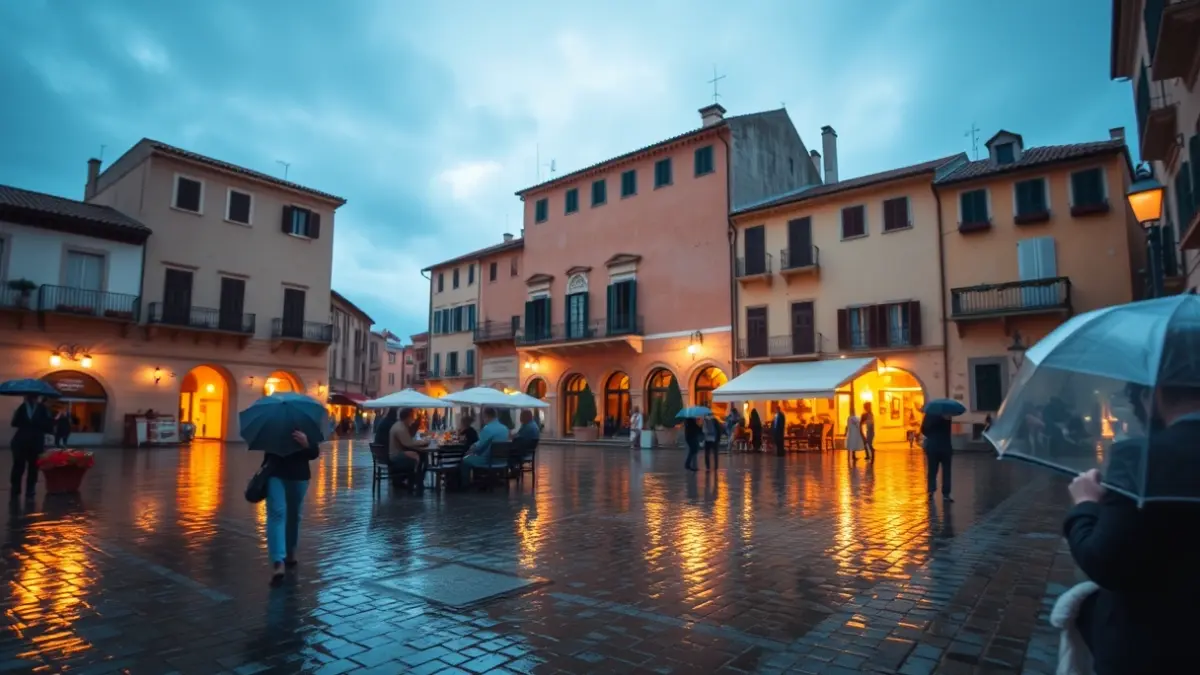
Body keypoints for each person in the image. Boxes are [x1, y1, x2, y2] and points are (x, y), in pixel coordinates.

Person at [1062, 377, 1200, 674]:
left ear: (1155, 393)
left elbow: (1104, 561)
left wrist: (1085, 504)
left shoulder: (1141, 457)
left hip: (1151, 650)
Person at [265, 429, 320, 586]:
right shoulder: (272, 423)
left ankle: (290, 552)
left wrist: (306, 443)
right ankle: (278, 561)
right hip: (275, 472)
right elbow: (265, 448)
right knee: (276, 514)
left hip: (299, 475)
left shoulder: (306, 424)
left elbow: (314, 452)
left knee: (293, 515)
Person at [10, 394, 52, 502]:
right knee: (18, 467)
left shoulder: (42, 409)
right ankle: (16, 489)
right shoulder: (22, 407)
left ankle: (30, 490)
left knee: (33, 468)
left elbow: (48, 426)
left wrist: (43, 422)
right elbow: (14, 423)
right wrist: (16, 416)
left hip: (35, 443)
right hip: (21, 442)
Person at [460, 407, 506, 486]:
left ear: (487, 416)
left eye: (483, 417)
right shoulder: (504, 429)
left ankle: (465, 485)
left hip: (488, 460)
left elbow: (480, 447)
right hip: (502, 460)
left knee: (465, 460)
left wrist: (471, 450)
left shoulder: (487, 429)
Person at [388, 408, 428, 486]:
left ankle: (418, 479)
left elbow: (408, 439)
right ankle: (417, 479)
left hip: (397, 453)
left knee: (421, 455)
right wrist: (423, 442)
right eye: (412, 416)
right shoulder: (400, 428)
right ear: (408, 417)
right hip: (396, 456)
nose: (413, 418)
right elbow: (408, 443)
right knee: (418, 456)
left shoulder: (400, 425)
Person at [921, 411, 953, 501]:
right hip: (945, 447)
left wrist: (931, 435)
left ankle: (931, 491)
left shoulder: (929, 414)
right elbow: (948, 431)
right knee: (946, 472)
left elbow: (923, 430)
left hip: (933, 447)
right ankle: (946, 494)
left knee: (932, 471)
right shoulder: (947, 414)